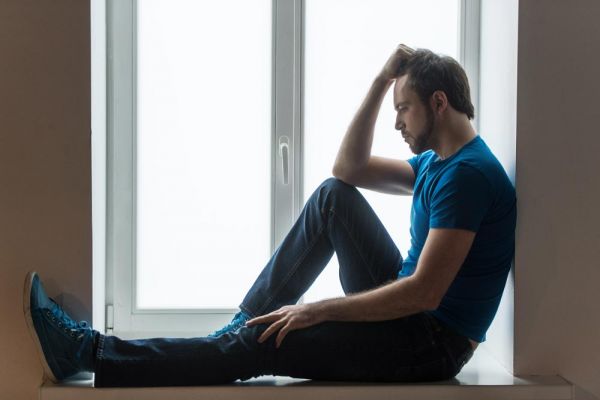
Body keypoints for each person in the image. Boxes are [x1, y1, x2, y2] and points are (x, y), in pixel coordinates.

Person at [23, 44, 516, 387]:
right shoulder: (437, 162)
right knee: (332, 198)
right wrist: (381, 80)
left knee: (266, 341)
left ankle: (88, 353)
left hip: (429, 342)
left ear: (438, 102)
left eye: (403, 109)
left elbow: (425, 292)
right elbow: (348, 169)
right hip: (414, 314)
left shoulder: (468, 175)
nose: (397, 123)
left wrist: (315, 309)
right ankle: (234, 329)